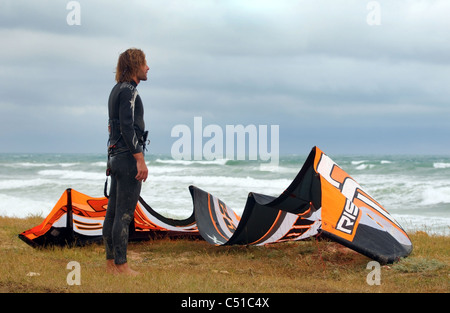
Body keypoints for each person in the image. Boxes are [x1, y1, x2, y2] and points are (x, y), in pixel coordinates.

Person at [103, 48, 149, 275]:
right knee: (124, 214)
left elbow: (113, 128)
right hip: (127, 157)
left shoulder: (115, 90)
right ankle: (122, 265)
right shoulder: (129, 90)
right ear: (135, 66)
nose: (148, 67)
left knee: (112, 213)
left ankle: (111, 264)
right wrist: (139, 158)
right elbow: (127, 126)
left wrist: (111, 159)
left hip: (115, 156)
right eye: (144, 63)